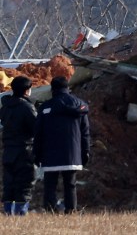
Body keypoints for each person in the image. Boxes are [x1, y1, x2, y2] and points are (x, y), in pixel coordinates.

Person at [33, 76, 90, 215]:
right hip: (72, 152)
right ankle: (71, 210)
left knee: (50, 184)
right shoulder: (79, 105)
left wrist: (37, 153)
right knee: (70, 184)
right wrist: (85, 151)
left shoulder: (45, 107)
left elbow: (38, 133)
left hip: (50, 152)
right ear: (68, 88)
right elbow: (85, 133)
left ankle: (50, 210)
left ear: (52, 89)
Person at [1, 76, 37, 216]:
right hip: (24, 150)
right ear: (27, 90)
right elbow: (36, 127)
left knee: (9, 182)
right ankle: (20, 213)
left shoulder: (5, 107)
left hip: (8, 149)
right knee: (25, 182)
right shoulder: (27, 107)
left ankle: (8, 212)